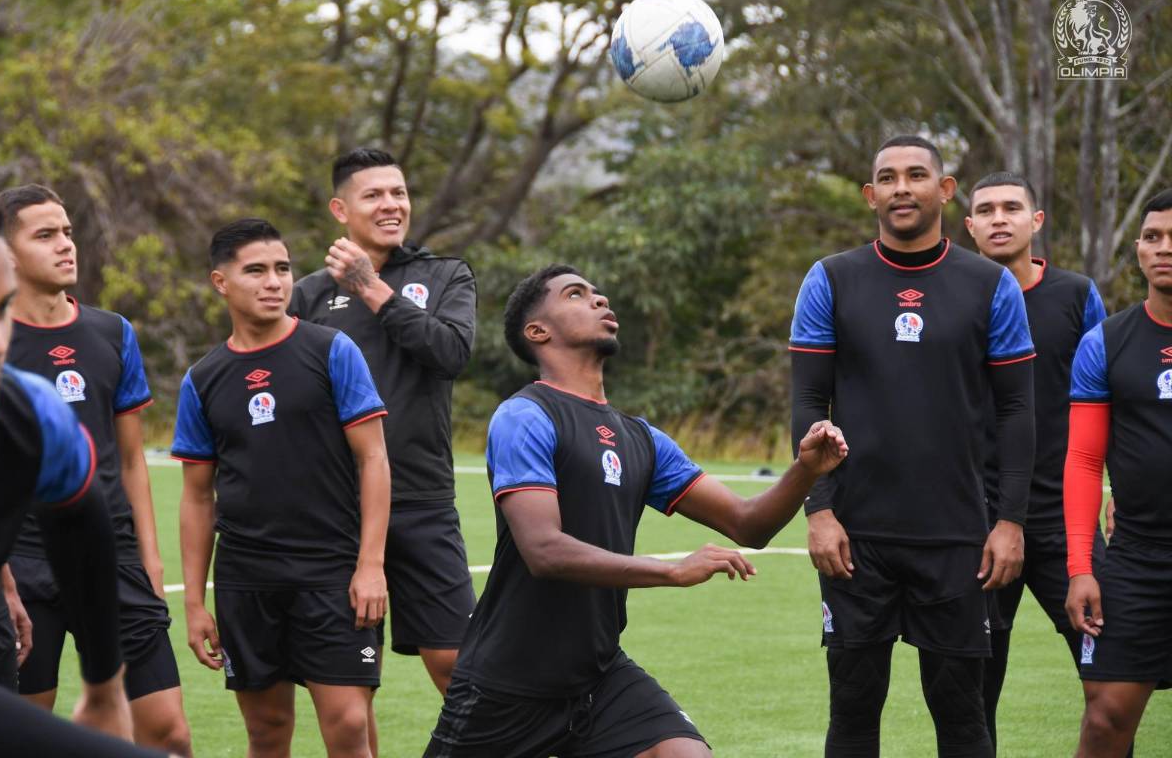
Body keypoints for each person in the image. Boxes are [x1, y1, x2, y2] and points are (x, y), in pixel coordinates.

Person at [424, 264, 849, 757]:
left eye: (598, 293)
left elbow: (748, 524)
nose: (600, 299)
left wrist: (805, 470)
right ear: (537, 331)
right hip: (508, 681)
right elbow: (544, 550)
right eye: (576, 295)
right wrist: (670, 571)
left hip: (597, 674)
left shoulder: (641, 438)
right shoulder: (524, 416)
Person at [790, 135, 1036, 757]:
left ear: (945, 190)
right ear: (871, 195)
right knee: (852, 711)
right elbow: (806, 405)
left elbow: (1015, 409)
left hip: (956, 535)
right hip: (855, 537)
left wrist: (1009, 521)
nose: (903, 187)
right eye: (889, 177)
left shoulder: (989, 285)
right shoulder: (831, 279)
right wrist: (818, 511)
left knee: (962, 717)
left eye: (917, 174)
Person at [174, 219, 390, 758]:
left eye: (282, 269)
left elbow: (374, 459)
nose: (274, 281)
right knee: (267, 733)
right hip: (247, 579)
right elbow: (198, 497)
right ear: (221, 282)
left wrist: (371, 565)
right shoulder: (202, 379)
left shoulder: (332, 350)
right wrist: (196, 604)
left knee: (346, 724)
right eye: (256, 270)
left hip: (331, 572)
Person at [289, 148, 477, 752]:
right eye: (374, 195)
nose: (391, 205)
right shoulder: (306, 295)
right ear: (340, 209)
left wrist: (369, 287)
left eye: (398, 193)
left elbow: (450, 354)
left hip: (421, 502)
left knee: (460, 668)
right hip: (334, 512)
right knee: (349, 692)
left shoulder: (447, 275)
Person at [0, 183, 191, 755]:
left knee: (168, 733)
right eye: (45, 235)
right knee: (25, 737)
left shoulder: (112, 331)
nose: (66, 246)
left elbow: (130, 457)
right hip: (21, 567)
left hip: (113, 558)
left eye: (68, 232)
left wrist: (148, 558)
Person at [962, 172, 1108, 748]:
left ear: (1036, 221)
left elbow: (1108, 397)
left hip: (1062, 517)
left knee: (1112, 676)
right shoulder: (956, 296)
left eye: (1012, 208)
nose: (1000, 219)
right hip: (975, 522)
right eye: (986, 210)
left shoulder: (1077, 295)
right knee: (973, 693)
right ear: (969, 226)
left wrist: (1115, 489)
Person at [1064, 188, 1172, 757]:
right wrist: (1082, 568)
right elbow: (1083, 461)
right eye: (1153, 237)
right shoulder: (1104, 342)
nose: (1164, 249)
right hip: (1137, 559)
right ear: (1137, 250)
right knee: (1105, 719)